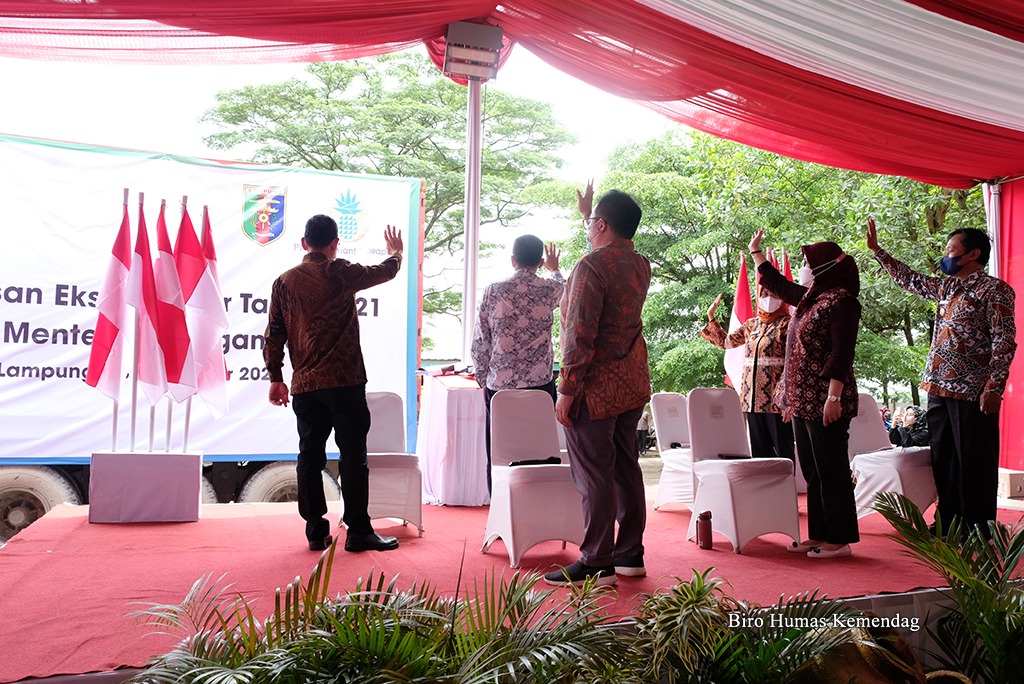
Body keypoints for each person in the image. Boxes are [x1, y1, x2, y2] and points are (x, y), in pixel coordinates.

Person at [867, 218, 1017, 535]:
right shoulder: (946, 287)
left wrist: (994, 387)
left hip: (973, 391)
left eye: (951, 250)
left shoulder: (995, 290)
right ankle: (949, 523)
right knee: (944, 459)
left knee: (973, 461)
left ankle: (978, 529)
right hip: (937, 386)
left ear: (973, 254)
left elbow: (1004, 341)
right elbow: (910, 279)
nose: (946, 256)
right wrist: (879, 252)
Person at [264, 214, 404, 553]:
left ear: (304, 243)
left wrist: (276, 377)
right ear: (335, 243)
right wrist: (396, 253)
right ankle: (358, 531)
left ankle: (316, 531)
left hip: (306, 385)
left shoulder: (284, 282)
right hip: (345, 383)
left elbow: (273, 335)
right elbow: (384, 271)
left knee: (309, 457)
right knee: (353, 456)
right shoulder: (340, 271)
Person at [545, 183, 652, 587]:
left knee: (594, 473)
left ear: (603, 224)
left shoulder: (590, 267)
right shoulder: (640, 264)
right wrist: (587, 215)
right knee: (626, 468)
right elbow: (605, 252)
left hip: (595, 387)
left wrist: (566, 390)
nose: (589, 227)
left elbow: (578, 333)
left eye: (592, 222)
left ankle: (596, 560)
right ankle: (629, 554)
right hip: (630, 382)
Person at [750, 228, 861, 559]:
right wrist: (757, 254)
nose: (804, 269)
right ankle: (820, 534)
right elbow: (780, 286)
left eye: (808, 264)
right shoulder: (813, 297)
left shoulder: (842, 302)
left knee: (832, 468)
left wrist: (833, 397)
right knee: (812, 469)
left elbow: (841, 353)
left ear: (825, 267)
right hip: (801, 399)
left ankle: (839, 540)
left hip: (826, 398)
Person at [471, 235, 564, 493]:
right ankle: (539, 502)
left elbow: (481, 340)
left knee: (499, 451)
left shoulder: (494, 290)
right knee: (540, 448)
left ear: (513, 260)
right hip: (540, 385)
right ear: (540, 262)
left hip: (500, 385)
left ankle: (500, 502)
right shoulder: (548, 290)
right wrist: (555, 269)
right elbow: (565, 288)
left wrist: (483, 378)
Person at [700, 277, 794, 461]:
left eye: (773, 294)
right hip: (752, 400)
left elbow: (793, 363)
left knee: (783, 454)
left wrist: (787, 399)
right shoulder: (752, 324)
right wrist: (711, 316)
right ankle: (761, 482)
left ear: (782, 297)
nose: (768, 298)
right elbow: (726, 342)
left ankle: (786, 481)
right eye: (764, 294)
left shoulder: (788, 324)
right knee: (759, 455)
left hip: (777, 401)